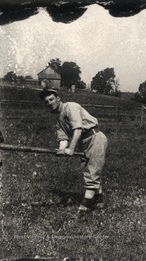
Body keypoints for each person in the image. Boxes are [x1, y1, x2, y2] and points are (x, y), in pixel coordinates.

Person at [39, 81, 108, 215]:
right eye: (46, 102)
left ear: (58, 99)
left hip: (95, 137)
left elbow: (78, 129)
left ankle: (84, 208)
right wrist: (61, 149)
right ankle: (99, 201)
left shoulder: (70, 107)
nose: (49, 103)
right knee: (88, 169)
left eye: (51, 99)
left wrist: (71, 148)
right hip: (85, 142)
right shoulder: (59, 119)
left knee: (92, 171)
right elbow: (63, 138)